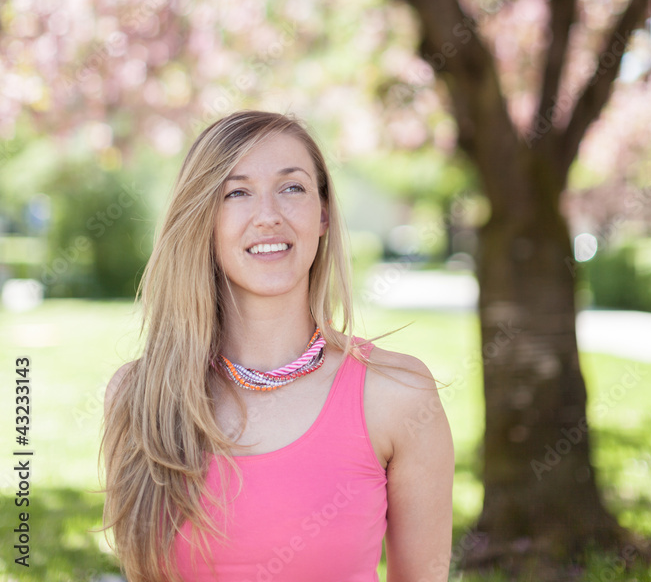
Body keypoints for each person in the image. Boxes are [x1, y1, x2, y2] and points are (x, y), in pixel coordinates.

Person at [102, 110, 454, 582]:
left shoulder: (398, 394)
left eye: (292, 188)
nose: (268, 215)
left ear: (323, 213)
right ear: (203, 218)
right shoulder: (139, 398)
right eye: (237, 193)